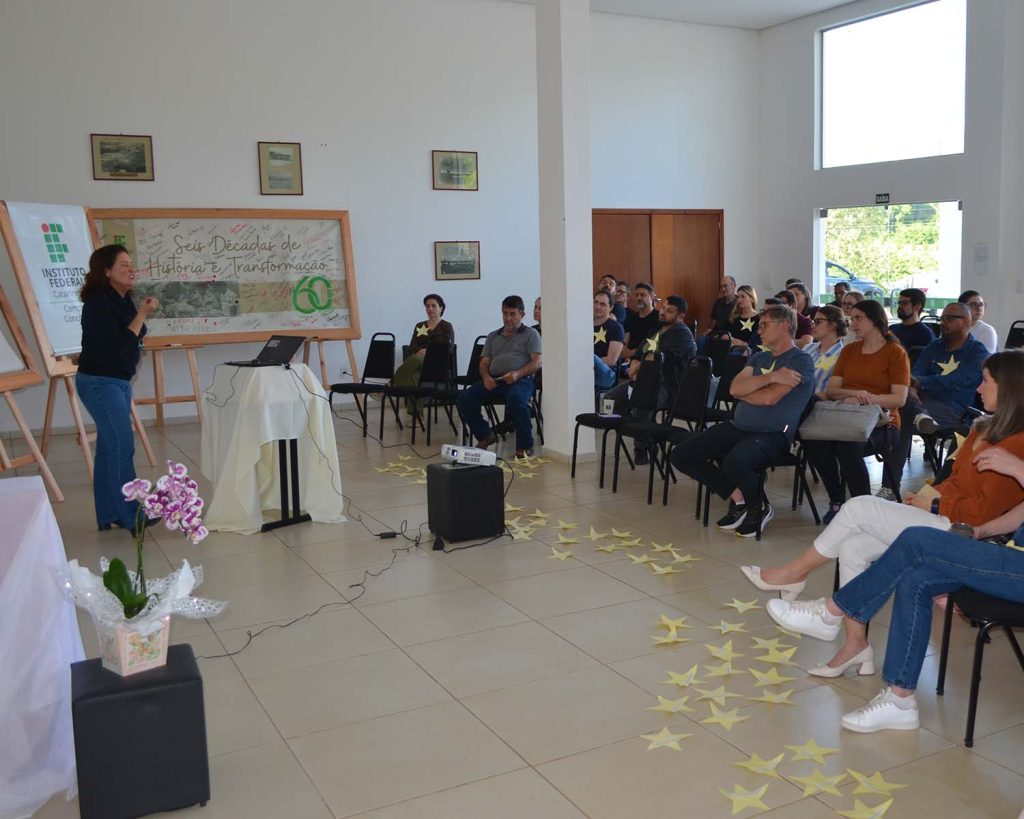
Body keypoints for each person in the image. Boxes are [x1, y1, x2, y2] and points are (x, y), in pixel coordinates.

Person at [744, 350, 1024, 678]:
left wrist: (935, 506)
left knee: (859, 507)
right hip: (942, 515)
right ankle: (855, 644)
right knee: (853, 546)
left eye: (986, 381)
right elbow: (954, 483)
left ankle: (796, 575)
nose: (978, 388)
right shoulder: (982, 427)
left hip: (964, 532)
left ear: (1009, 388)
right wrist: (925, 496)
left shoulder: (1017, 444)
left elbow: (985, 512)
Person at [767, 449, 1024, 734]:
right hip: (1012, 554)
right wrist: (983, 531)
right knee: (915, 579)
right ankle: (900, 701)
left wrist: (1018, 468)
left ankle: (832, 612)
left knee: (916, 540)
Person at [671, 304, 815, 538]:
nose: (759, 330)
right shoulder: (759, 357)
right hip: (738, 426)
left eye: (765, 325)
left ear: (784, 326)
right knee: (682, 454)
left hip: (772, 433)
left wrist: (747, 392)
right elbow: (734, 388)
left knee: (734, 460)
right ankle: (740, 499)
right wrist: (771, 377)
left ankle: (759, 506)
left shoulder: (801, 361)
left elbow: (769, 399)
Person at [75, 244, 159, 531]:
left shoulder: (122, 299)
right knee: (122, 446)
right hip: (100, 382)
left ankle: (109, 513)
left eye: (131, 264)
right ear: (106, 271)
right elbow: (122, 343)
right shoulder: (98, 302)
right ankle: (131, 513)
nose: (131, 269)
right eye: (124, 264)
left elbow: (132, 335)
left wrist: (138, 315)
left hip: (118, 381)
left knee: (109, 448)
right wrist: (142, 314)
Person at [802, 299, 910, 519]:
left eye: (859, 318)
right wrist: (852, 395)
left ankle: (863, 509)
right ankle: (837, 500)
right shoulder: (850, 350)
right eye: (852, 319)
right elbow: (833, 390)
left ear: (876, 320)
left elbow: (899, 399)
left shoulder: (895, 353)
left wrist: (865, 399)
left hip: (883, 423)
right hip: (846, 416)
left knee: (848, 447)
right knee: (815, 443)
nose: (853, 324)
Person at [605, 296, 696, 463]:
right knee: (611, 398)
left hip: (668, 386)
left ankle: (642, 447)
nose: (662, 312)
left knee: (642, 401)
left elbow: (662, 358)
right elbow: (639, 353)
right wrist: (635, 364)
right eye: (663, 308)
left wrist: (640, 366)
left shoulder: (682, 334)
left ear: (681, 316)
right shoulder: (656, 331)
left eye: (669, 311)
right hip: (643, 381)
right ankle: (643, 432)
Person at [456, 295, 542, 458]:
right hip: (495, 380)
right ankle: (485, 435)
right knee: (464, 399)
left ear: (522, 314)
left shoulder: (531, 334)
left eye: (512, 314)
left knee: (517, 400)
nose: (508, 318)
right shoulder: (493, 336)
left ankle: (525, 445)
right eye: (505, 313)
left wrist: (517, 374)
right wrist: (486, 377)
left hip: (521, 380)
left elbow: (537, 362)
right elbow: (484, 362)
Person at [905, 301, 987, 435]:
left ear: (965, 321)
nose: (942, 323)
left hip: (955, 409)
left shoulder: (977, 352)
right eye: (941, 319)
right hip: (922, 400)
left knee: (901, 420)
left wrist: (919, 382)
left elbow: (957, 380)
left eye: (948, 319)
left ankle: (919, 416)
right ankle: (920, 416)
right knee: (896, 410)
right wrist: (912, 387)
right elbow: (916, 373)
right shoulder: (934, 346)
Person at [390, 294, 455, 413]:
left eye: (433, 306)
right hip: (419, 361)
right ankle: (417, 415)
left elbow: (449, 348)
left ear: (441, 308)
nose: (430, 309)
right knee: (413, 375)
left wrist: (429, 351)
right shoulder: (420, 326)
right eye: (427, 306)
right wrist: (420, 351)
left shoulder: (446, 326)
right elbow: (412, 345)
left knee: (414, 359)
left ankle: (392, 383)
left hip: (436, 363)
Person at [803, 304, 845, 399]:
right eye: (813, 322)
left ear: (833, 325)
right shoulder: (807, 348)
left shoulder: (843, 354)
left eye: (818, 322)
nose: (812, 326)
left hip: (821, 404)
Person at [593, 290, 625, 391]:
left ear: (610, 308)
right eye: (596, 302)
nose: (598, 307)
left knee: (590, 356)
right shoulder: (585, 325)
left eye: (603, 304)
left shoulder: (616, 328)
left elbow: (611, 360)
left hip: (607, 374)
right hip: (586, 370)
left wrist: (586, 361)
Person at [623, 283, 660, 358]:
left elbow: (658, 343)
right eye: (636, 295)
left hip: (649, 358)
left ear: (651, 296)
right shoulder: (631, 317)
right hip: (629, 359)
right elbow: (625, 340)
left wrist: (633, 353)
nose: (639, 298)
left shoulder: (659, 317)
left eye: (642, 295)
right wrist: (625, 353)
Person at [719, 285, 759, 350]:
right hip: (729, 349)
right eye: (738, 297)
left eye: (743, 296)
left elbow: (755, 344)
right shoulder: (734, 317)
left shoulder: (758, 319)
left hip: (745, 352)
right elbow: (725, 335)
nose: (739, 300)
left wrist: (740, 343)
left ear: (752, 298)